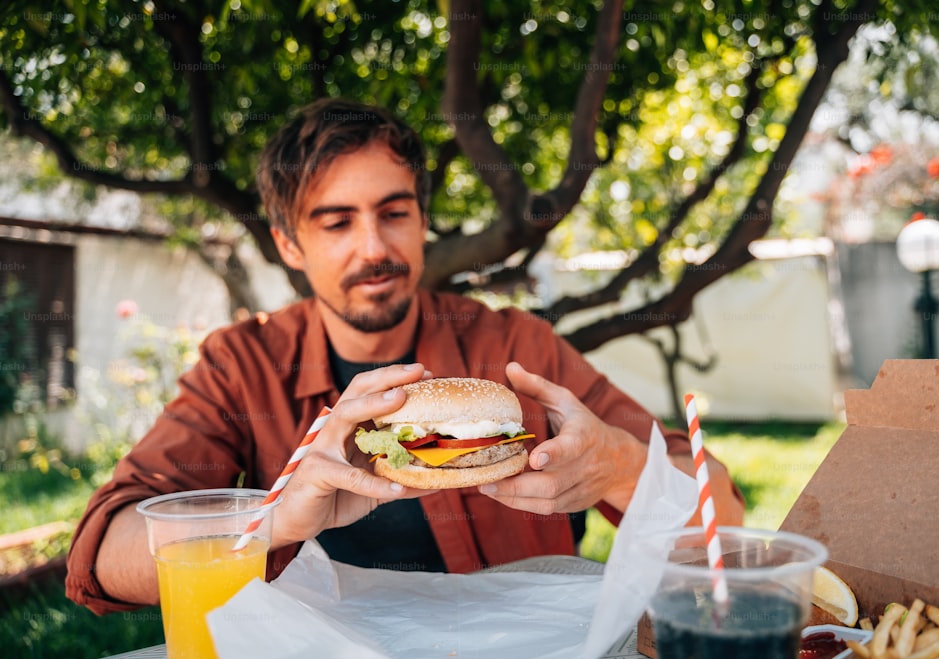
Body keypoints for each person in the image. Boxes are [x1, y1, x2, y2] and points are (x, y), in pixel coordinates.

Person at [66, 98, 743, 615]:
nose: (374, 249)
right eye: (336, 222)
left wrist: (621, 466)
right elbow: (101, 554)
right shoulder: (241, 364)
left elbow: (726, 519)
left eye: (394, 212)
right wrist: (272, 520)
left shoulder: (514, 346)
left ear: (422, 219)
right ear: (289, 246)